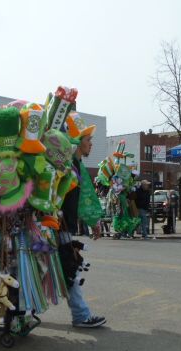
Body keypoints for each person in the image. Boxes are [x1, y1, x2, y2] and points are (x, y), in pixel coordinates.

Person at [60, 124, 106, 328]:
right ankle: (80, 315)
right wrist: (93, 220)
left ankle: (24, 309)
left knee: (56, 268)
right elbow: (78, 199)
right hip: (57, 225)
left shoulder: (74, 165)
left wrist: (93, 220)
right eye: (88, 140)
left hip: (60, 224)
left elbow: (83, 197)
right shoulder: (70, 165)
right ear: (78, 143)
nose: (91, 144)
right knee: (70, 268)